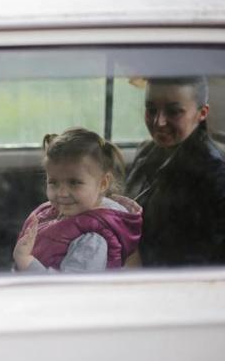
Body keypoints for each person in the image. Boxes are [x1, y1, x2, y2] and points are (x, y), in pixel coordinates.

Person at [125, 76, 225, 266]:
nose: (159, 121)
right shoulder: (147, 152)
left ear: (202, 113)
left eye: (174, 111)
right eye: (151, 109)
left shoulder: (215, 177)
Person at [13, 128, 142, 273]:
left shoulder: (93, 239)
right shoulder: (57, 213)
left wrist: (26, 262)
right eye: (53, 182)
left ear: (103, 183)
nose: (62, 193)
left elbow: (71, 291)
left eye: (74, 182)